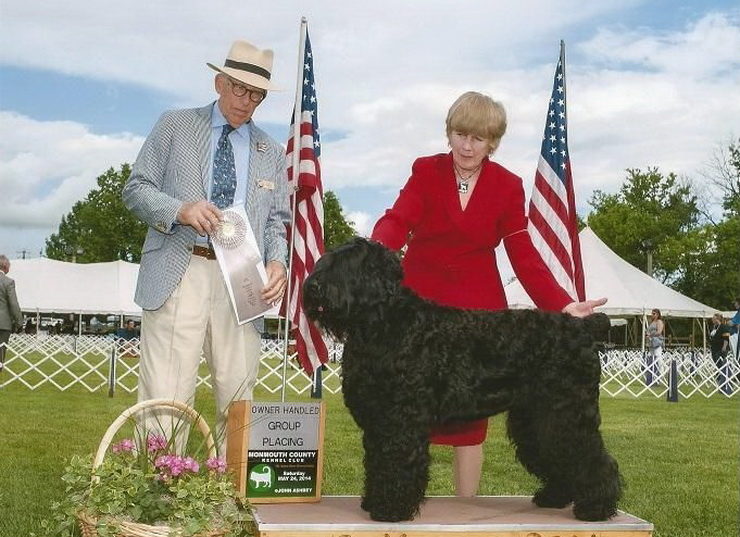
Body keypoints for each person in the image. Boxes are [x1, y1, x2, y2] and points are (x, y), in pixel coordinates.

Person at [370, 91, 607, 497]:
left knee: (470, 426)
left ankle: (466, 512)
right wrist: (372, 256)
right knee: (410, 413)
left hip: (480, 311)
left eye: (478, 138)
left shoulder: (508, 186)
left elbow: (524, 255)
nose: (467, 145)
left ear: (492, 142)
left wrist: (562, 304)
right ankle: (404, 501)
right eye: (461, 134)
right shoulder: (426, 171)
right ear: (449, 133)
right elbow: (398, 220)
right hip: (420, 308)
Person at [122, 40, 290, 451]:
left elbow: (278, 221)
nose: (246, 102)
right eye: (238, 89)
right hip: (181, 268)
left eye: (256, 95)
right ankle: (159, 493)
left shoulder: (273, 151)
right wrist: (180, 210)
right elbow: (135, 189)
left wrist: (278, 261)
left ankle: (226, 496)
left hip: (243, 279)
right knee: (167, 391)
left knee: (238, 393)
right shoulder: (174, 125)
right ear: (219, 82)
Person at [0, 255, 23, 371]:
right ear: (6, 266)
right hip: (3, 325)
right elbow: (14, 304)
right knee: (0, 353)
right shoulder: (8, 282)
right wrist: (19, 322)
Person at [709, 313, 732, 395]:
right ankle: (720, 382)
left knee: (721, 365)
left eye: (713, 318)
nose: (712, 319)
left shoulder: (724, 327)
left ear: (717, 319)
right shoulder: (714, 327)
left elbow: (726, 338)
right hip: (714, 349)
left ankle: (723, 382)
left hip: (721, 349)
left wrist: (724, 347)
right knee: (717, 364)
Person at [645, 308, 665, 385]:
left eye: (654, 313)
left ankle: (660, 377)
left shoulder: (659, 322)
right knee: (650, 358)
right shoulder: (651, 322)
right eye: (652, 313)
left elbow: (659, 332)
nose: (652, 315)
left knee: (658, 359)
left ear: (658, 315)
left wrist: (651, 335)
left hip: (657, 342)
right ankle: (651, 376)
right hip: (651, 343)